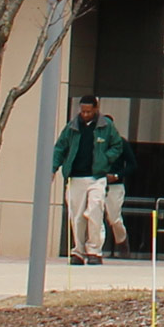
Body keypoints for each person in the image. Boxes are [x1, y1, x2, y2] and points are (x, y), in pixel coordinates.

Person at [49, 95, 127, 265]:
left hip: (97, 177)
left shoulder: (106, 127)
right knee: (76, 216)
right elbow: (60, 148)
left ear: (95, 109)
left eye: (88, 111)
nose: (85, 114)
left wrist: (105, 159)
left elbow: (117, 146)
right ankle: (78, 251)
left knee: (94, 212)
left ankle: (94, 251)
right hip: (76, 177)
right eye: (82, 111)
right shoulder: (71, 127)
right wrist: (53, 168)